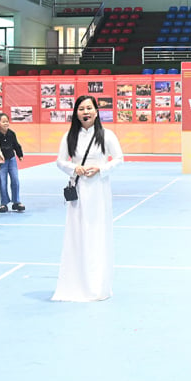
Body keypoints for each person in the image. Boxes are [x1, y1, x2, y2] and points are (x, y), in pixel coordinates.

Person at [53, 96, 123, 302]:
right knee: (77, 233)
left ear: (96, 111)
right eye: (81, 108)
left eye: (89, 108)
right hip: (78, 191)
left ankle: (97, 285)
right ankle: (75, 283)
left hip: (99, 190)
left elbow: (119, 159)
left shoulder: (107, 135)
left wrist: (101, 169)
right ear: (76, 113)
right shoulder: (69, 136)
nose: (86, 112)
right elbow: (59, 161)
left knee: (98, 234)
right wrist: (74, 168)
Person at [0, 112, 25, 213]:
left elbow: (16, 145)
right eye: (3, 122)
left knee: (15, 180)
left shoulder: (11, 133)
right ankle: (4, 203)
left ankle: (16, 201)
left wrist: (20, 155)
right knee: (2, 182)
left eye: (7, 121)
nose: (6, 123)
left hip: (12, 160)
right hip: (1, 162)